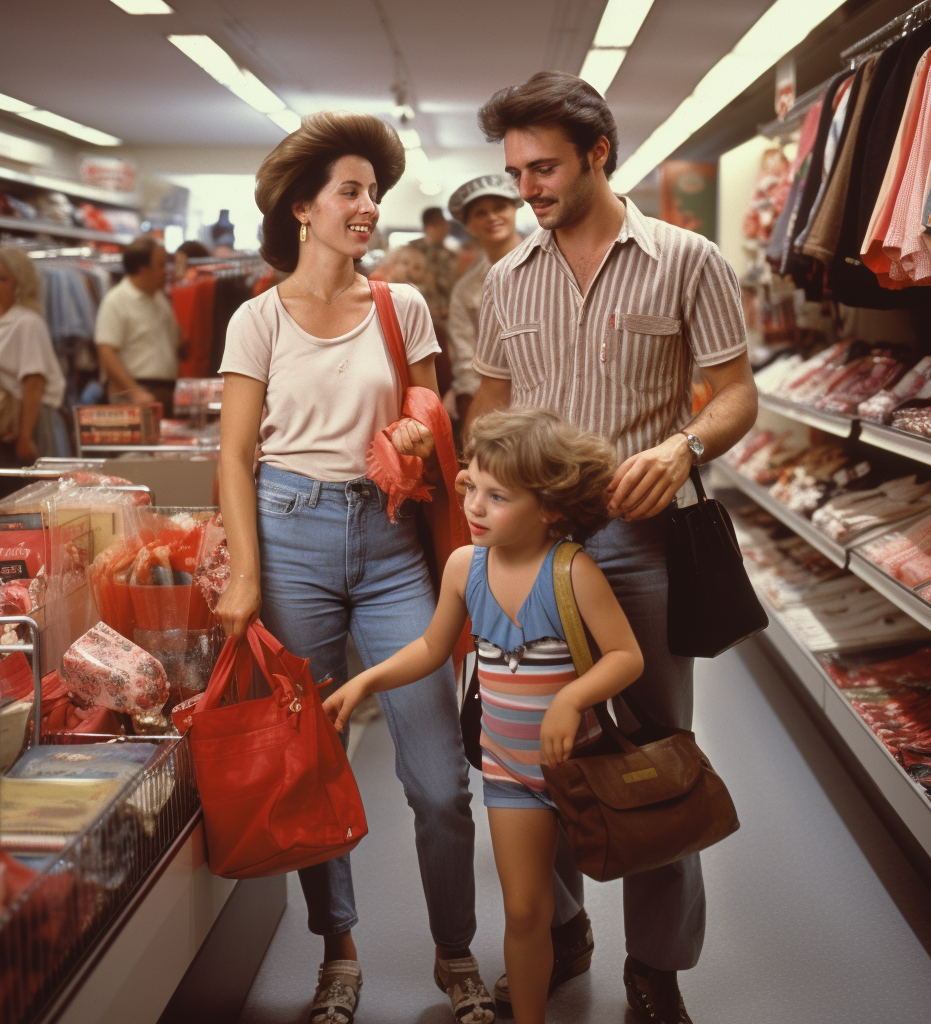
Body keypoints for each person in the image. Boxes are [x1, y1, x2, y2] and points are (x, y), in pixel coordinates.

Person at [466, 71, 758, 1024]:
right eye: (515, 172)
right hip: (536, 558)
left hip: (641, 545)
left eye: (543, 167)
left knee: (651, 750)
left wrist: (683, 445)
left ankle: (658, 968)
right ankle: (558, 928)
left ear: (598, 153)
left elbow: (734, 394)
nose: (527, 189)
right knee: (535, 749)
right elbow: (493, 412)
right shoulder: (505, 280)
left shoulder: (687, 260)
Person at [215, 111, 494, 1024]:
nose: (368, 206)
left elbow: (431, 395)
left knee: (438, 775)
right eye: (350, 190)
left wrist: (418, 425)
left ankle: (456, 949)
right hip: (289, 534)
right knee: (310, 763)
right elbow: (233, 456)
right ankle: (338, 951)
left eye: (374, 192)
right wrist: (248, 574)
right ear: (304, 205)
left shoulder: (399, 303)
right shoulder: (257, 319)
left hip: (387, 543)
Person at [324, 409, 644, 1024]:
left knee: (627, 864)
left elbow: (625, 656)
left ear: (549, 507)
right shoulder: (464, 569)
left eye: (498, 496)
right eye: (471, 486)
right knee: (525, 911)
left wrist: (571, 698)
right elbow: (429, 648)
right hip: (510, 775)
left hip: (581, 770)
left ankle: (649, 963)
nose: (475, 505)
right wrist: (364, 679)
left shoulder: (572, 571)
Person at [0, 246, 69, 463]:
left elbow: (34, 381)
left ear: (20, 283)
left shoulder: (28, 321)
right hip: (3, 423)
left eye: (2, 279)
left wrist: (25, 437)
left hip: (28, 424)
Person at [446, 173, 524, 425]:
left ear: (514, 210)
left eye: (500, 207)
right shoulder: (465, 290)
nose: (492, 217)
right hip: (495, 405)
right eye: (480, 213)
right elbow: (466, 363)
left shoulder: (554, 266)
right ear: (469, 225)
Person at [95, 236, 183, 416]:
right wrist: (134, 390)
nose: (166, 271)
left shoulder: (159, 298)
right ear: (143, 269)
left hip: (164, 390)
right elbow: (106, 350)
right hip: (137, 392)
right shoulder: (116, 300)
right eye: (161, 265)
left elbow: (177, 343)